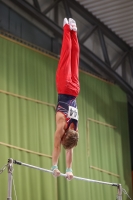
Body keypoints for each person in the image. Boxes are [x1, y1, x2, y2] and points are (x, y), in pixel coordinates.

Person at [51, 17, 80, 181]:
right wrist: (54, 166)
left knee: (74, 59)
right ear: (64, 136)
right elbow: (57, 147)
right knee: (65, 56)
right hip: (64, 87)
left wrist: (69, 169)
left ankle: (74, 31)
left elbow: (69, 149)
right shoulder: (62, 127)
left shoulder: (75, 131)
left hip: (76, 90)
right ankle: (66, 27)